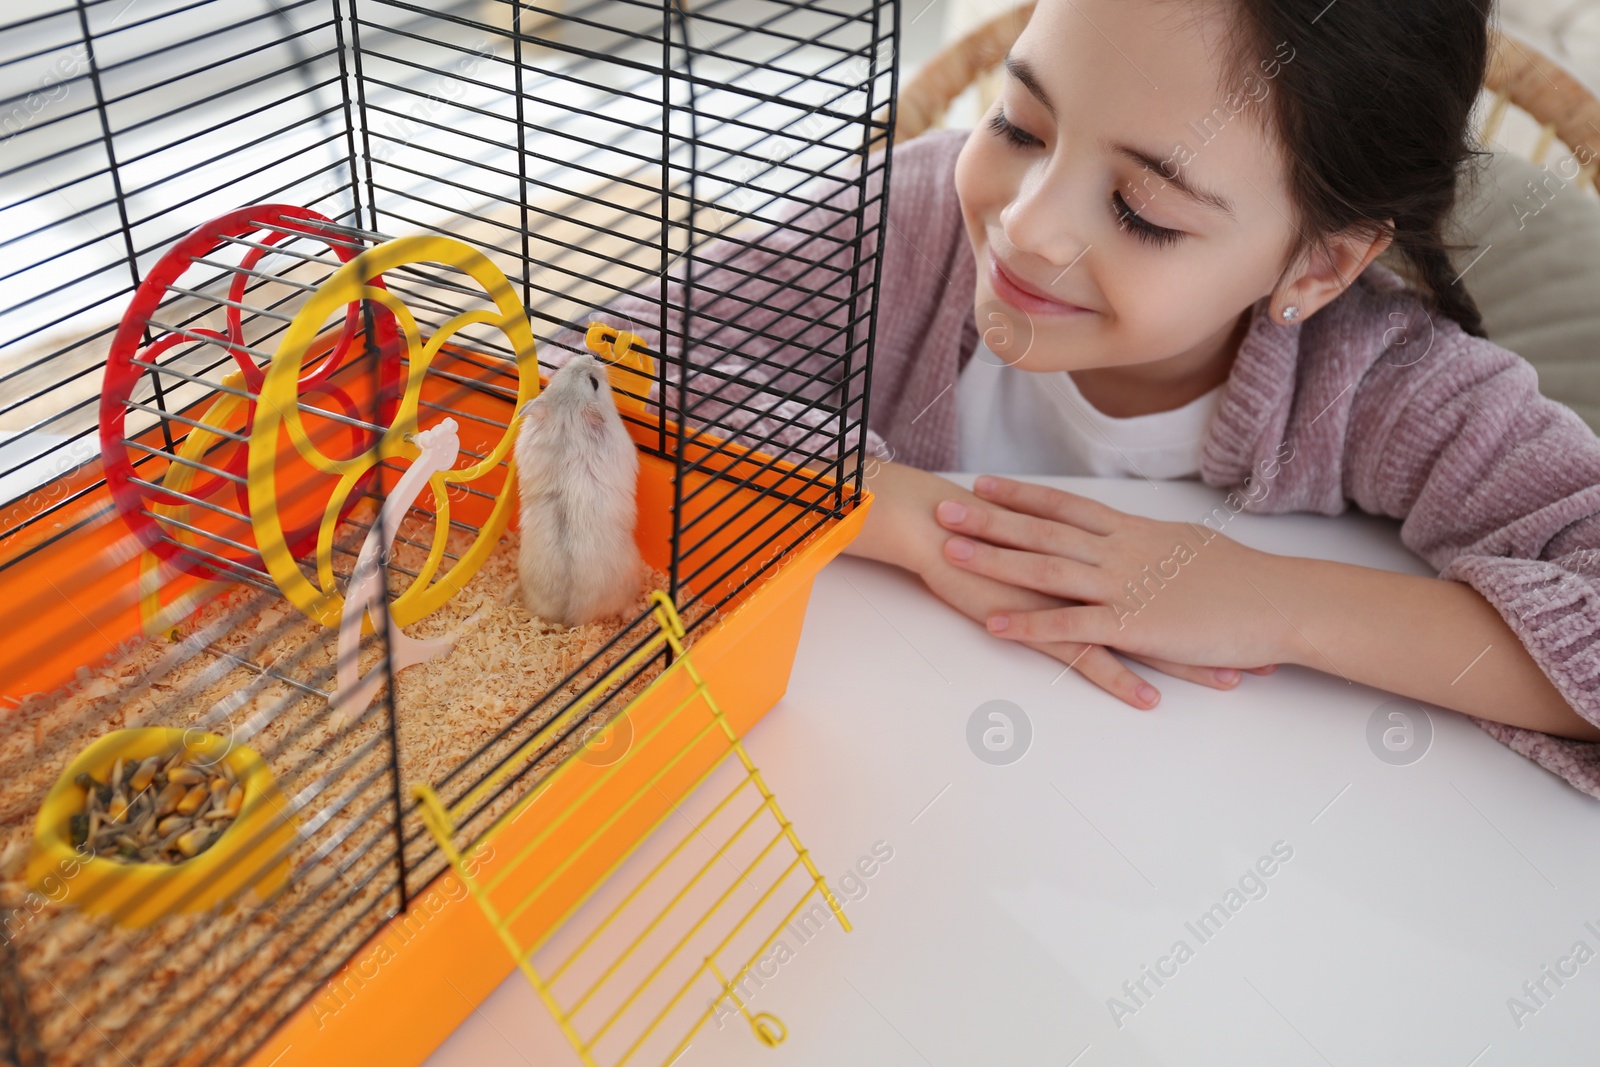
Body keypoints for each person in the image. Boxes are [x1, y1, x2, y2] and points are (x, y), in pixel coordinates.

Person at [560, 0, 1600, 796]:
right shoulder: (914, 222)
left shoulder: (1385, 383)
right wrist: (906, 512)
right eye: (1017, 124)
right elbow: (587, 371)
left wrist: (1271, 602)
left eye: (1139, 210)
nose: (1026, 224)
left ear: (1318, 268)